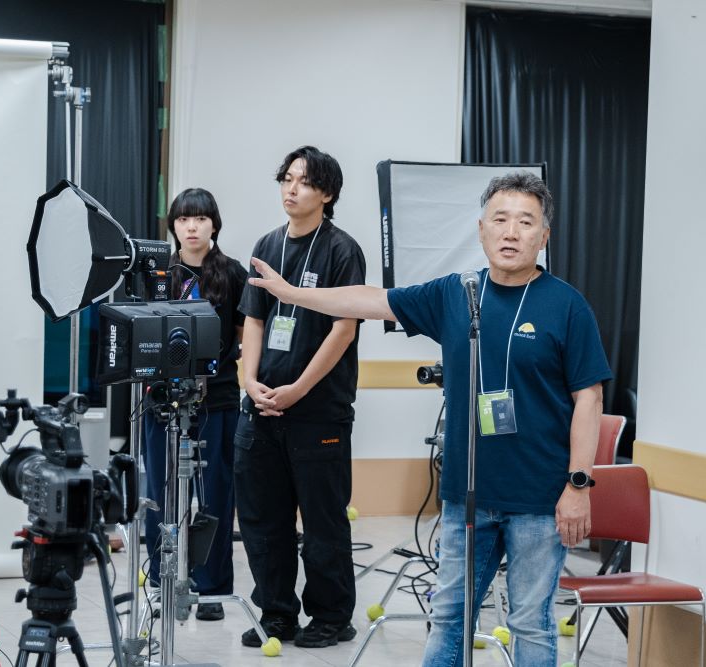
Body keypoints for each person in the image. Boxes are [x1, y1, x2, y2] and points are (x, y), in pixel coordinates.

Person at [247, 171, 611, 666]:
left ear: (543, 237)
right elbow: (372, 299)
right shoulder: (456, 294)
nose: (510, 232)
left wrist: (578, 485)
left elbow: (589, 398)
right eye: (500, 220)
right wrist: (294, 296)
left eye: (525, 222)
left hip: (540, 499)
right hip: (466, 495)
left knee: (530, 621)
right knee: (449, 616)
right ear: (481, 229)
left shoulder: (567, 306)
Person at [235, 145, 366, 649]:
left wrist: (297, 391)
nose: (292, 189)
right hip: (261, 407)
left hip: (317, 411)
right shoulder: (267, 244)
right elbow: (254, 320)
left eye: (305, 181)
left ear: (327, 193)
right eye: (287, 178)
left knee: (323, 520)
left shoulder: (342, 250)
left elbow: (343, 330)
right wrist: (250, 381)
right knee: (263, 521)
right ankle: (277, 613)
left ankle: (332, 617)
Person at [142, 187, 247, 621]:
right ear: (173, 226)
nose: (192, 227)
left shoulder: (233, 273)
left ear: (214, 225)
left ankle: (212, 588)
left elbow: (245, 334)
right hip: (162, 404)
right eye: (184, 219)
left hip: (217, 401)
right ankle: (162, 581)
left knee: (216, 496)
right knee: (161, 494)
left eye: (200, 218)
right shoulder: (157, 274)